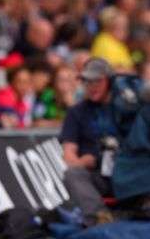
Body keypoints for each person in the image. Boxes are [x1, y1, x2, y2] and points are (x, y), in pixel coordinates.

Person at [59, 57, 118, 226]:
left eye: (96, 81)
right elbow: (68, 153)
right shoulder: (76, 112)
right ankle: (100, 217)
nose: (91, 87)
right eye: (87, 81)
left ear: (109, 82)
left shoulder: (123, 109)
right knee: (72, 174)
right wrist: (81, 162)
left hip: (124, 170)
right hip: (95, 175)